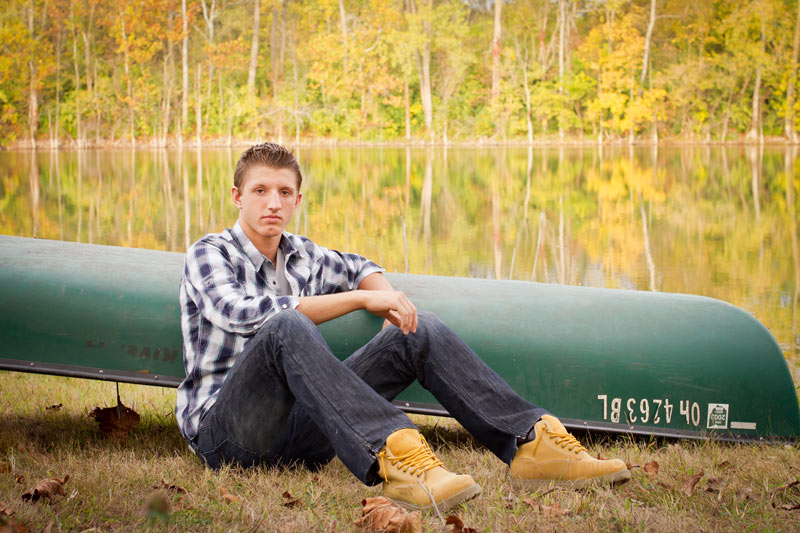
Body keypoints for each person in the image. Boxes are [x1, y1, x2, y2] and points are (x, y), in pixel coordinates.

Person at [175, 143, 630, 512]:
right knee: (283, 326)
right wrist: (359, 299)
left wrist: (385, 295)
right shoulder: (209, 253)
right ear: (237, 196)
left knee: (419, 330)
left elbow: (360, 266)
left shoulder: (302, 253)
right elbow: (242, 313)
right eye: (259, 191)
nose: (273, 203)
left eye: (284, 192)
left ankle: (530, 443)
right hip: (229, 436)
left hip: (302, 436)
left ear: (298, 198)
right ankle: (399, 458)